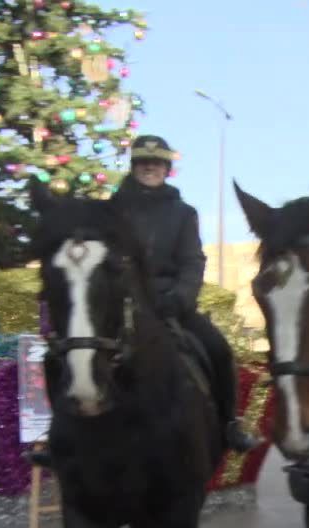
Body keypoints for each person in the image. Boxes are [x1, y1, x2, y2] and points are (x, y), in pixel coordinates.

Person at [112, 135, 258, 453]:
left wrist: (178, 298)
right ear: (134, 166)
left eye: (157, 162)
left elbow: (192, 261)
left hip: (169, 305)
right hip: (116, 305)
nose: (150, 167)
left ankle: (229, 423)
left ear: (167, 168)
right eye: (144, 162)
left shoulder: (183, 213)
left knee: (219, 351)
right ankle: (63, 435)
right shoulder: (111, 210)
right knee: (73, 350)